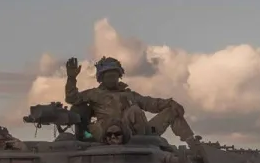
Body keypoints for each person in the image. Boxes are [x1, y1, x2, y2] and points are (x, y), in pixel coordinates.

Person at [64, 56, 198, 143]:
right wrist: (71, 78)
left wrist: (170, 103)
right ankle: (136, 141)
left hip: (142, 134)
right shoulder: (94, 94)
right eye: (108, 76)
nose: (112, 79)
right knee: (134, 110)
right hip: (112, 133)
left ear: (119, 77)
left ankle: (193, 144)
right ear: (101, 78)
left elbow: (150, 103)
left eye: (114, 76)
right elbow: (72, 98)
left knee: (171, 111)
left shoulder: (129, 94)